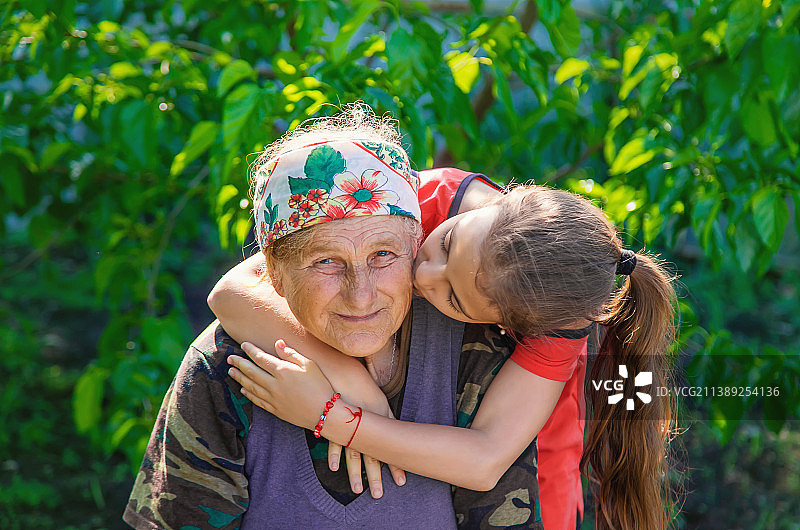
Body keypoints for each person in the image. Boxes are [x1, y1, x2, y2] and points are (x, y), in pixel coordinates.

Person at [124, 105, 549, 529]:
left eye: (383, 255)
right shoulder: (228, 366)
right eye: (326, 261)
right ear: (274, 271)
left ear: (416, 247)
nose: (360, 294)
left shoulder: (471, 354)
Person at [210, 163, 679, 527]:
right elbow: (231, 292)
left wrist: (334, 417)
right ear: (504, 202)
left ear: (500, 325)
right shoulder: (419, 195)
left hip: (544, 420)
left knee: (546, 499)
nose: (423, 274)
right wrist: (356, 386)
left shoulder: (557, 325)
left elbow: (486, 459)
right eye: (448, 245)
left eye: (452, 298)